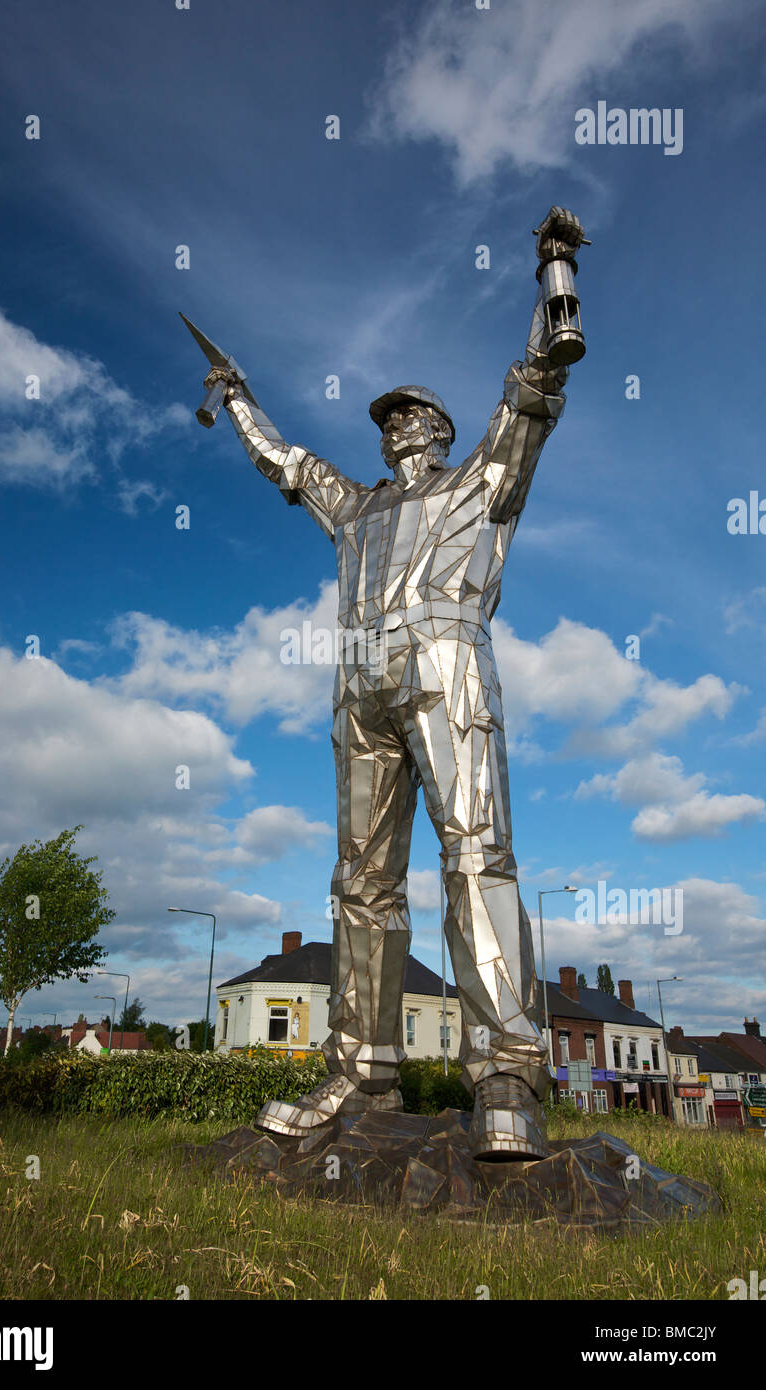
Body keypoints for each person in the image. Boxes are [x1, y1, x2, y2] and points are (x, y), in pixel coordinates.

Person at [202, 208, 587, 1158]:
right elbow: (289, 465)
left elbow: (532, 391)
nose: (398, 427)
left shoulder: (481, 485)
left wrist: (555, 275)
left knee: (474, 853)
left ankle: (505, 1070)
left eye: (412, 415)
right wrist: (238, 399)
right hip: (361, 685)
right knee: (360, 883)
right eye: (388, 419)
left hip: (447, 667)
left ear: (444, 430)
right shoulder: (359, 510)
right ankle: (358, 1069)